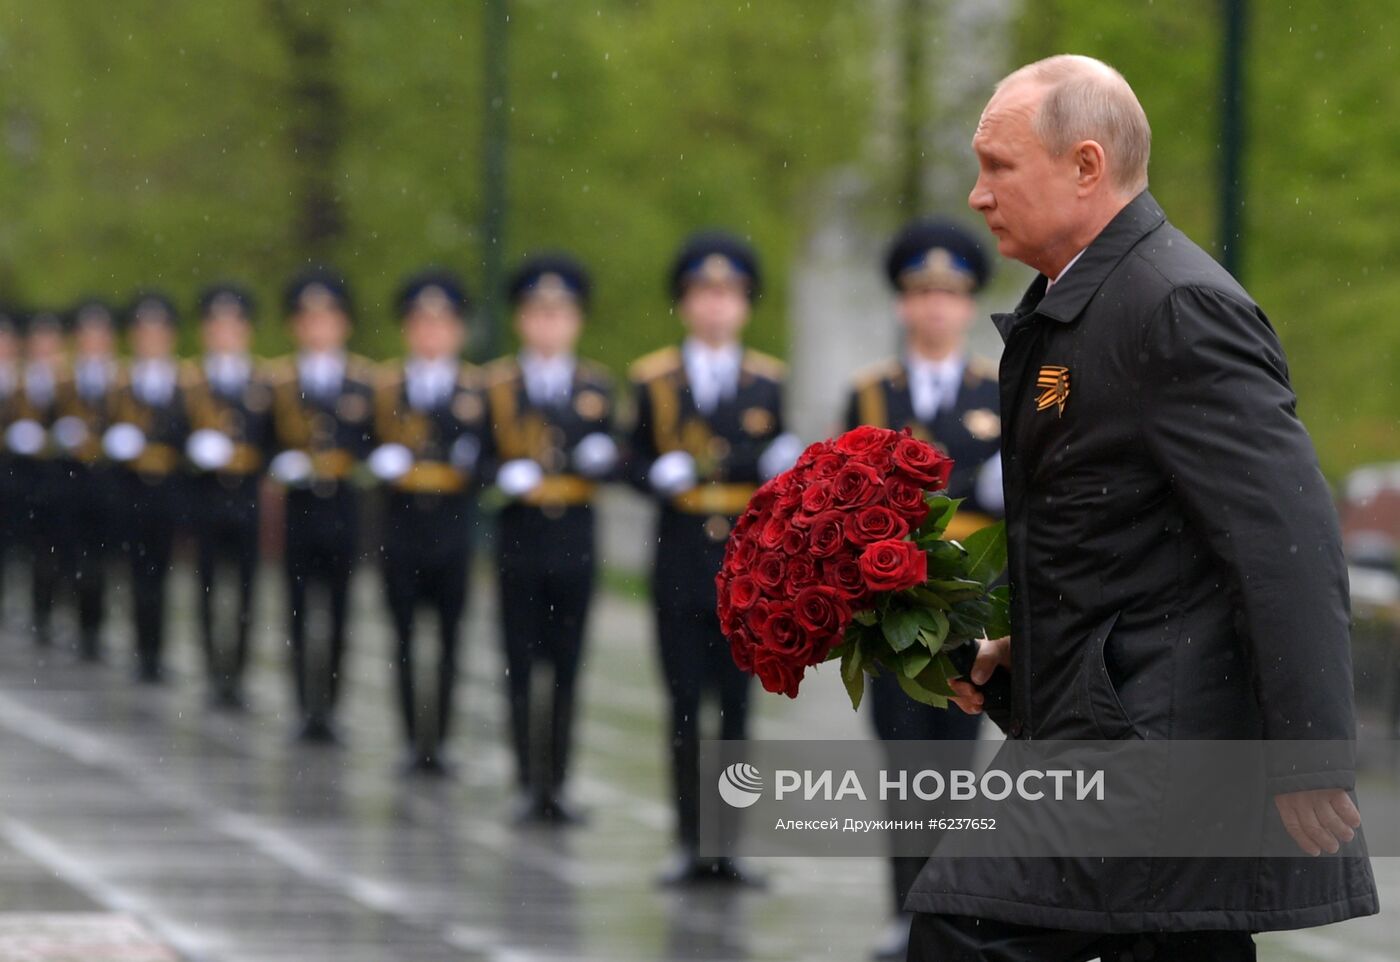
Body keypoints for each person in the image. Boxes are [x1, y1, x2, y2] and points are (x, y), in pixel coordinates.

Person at [905, 54, 1378, 961]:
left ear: (1087, 167)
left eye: (999, 167)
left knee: (963, 925)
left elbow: (1287, 541)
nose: (976, 194)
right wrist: (1029, 653)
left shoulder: (1174, 305)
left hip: (1151, 749)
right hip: (1116, 729)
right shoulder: (1086, 300)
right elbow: (1123, 541)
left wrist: (1309, 753)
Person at [843, 218, 999, 961]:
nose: (936, 307)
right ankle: (904, 910)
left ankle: (947, 911)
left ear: (968, 306)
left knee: (957, 757)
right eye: (922, 293)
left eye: (950, 294)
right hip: (892, 600)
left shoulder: (999, 392)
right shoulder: (873, 394)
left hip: (966, 597)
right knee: (904, 758)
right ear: (904, 304)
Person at [628, 230, 801, 885]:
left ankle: (727, 845)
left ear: (746, 305)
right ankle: (686, 840)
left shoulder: (767, 382)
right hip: (678, 560)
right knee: (680, 706)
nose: (716, 306)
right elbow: (627, 457)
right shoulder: (653, 380)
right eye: (704, 293)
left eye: (728, 294)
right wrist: (654, 473)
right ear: (684, 303)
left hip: (746, 568)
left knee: (735, 710)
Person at [481, 253, 617, 824]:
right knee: (519, 660)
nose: (549, 324)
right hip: (520, 535)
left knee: (566, 664)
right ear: (521, 320)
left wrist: (607, 457)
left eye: (560, 314)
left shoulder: (596, 385)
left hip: (576, 536)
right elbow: (474, 458)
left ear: (576, 322)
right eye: (539, 313)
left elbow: (621, 451)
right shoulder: (495, 386)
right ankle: (524, 779)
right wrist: (498, 474)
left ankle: (558, 780)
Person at [368, 269, 484, 775]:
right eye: (422, 324)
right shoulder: (385, 387)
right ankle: (412, 740)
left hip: (453, 528)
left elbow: (494, 454)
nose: (432, 334)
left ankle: (442, 740)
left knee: (451, 640)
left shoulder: (479, 391)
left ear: (457, 331)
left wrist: (474, 462)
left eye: (442, 324)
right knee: (403, 637)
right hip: (402, 526)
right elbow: (359, 440)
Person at [267, 268, 376, 744]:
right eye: (309, 320)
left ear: (344, 324)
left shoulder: (367, 382)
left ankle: (330, 706)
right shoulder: (278, 380)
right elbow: (259, 439)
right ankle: (301, 706)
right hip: (299, 505)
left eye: (328, 319)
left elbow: (376, 440)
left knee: (337, 610)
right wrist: (279, 463)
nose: (319, 328)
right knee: (295, 610)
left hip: (343, 505)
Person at [184, 284, 275, 709]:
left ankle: (236, 675)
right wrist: (192, 448)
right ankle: (210, 672)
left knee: (244, 590)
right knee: (204, 587)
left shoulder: (264, 381)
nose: (225, 333)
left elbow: (277, 438)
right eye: (217, 325)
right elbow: (169, 432)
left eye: (233, 324)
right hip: (203, 497)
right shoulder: (190, 381)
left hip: (246, 496)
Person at [103, 293, 189, 682]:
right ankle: (142, 650)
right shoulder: (119, 382)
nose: (151, 339)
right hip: (130, 489)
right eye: (143, 331)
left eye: (158, 331)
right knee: (136, 573)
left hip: (171, 489)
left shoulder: (187, 383)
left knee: (167, 574)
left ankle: (160, 650)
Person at [51, 299, 120, 662]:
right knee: (72, 558)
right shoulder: (64, 380)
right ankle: (79, 624)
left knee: (104, 561)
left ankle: (96, 627)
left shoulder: (121, 379)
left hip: (109, 482)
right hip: (71, 481)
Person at [6, 310, 68, 648]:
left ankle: (43, 614)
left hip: (56, 477)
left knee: (50, 551)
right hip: (19, 475)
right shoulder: (19, 380)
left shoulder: (68, 382)